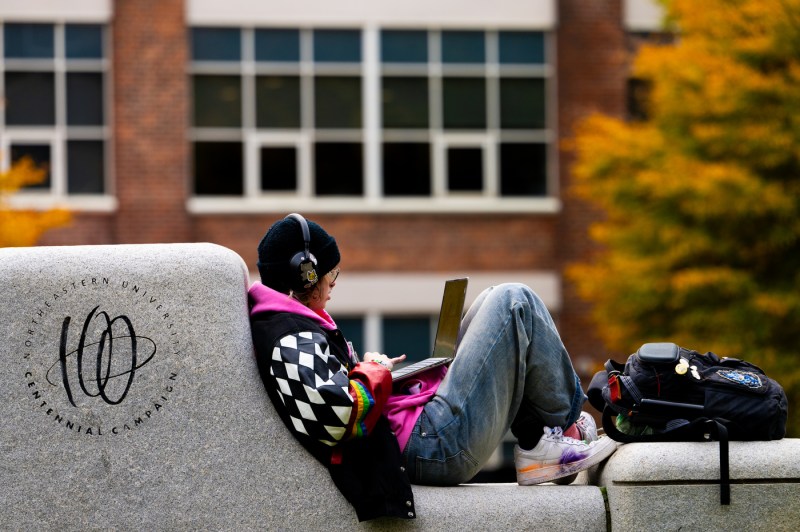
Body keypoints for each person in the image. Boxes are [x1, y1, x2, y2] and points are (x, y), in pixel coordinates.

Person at [249, 214, 617, 522]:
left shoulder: (291, 325)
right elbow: (336, 417)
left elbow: (332, 396)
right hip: (429, 448)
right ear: (306, 275)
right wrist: (372, 371)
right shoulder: (287, 335)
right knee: (513, 300)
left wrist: (370, 371)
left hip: (420, 437)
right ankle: (562, 432)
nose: (333, 286)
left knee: (491, 300)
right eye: (332, 274)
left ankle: (545, 437)